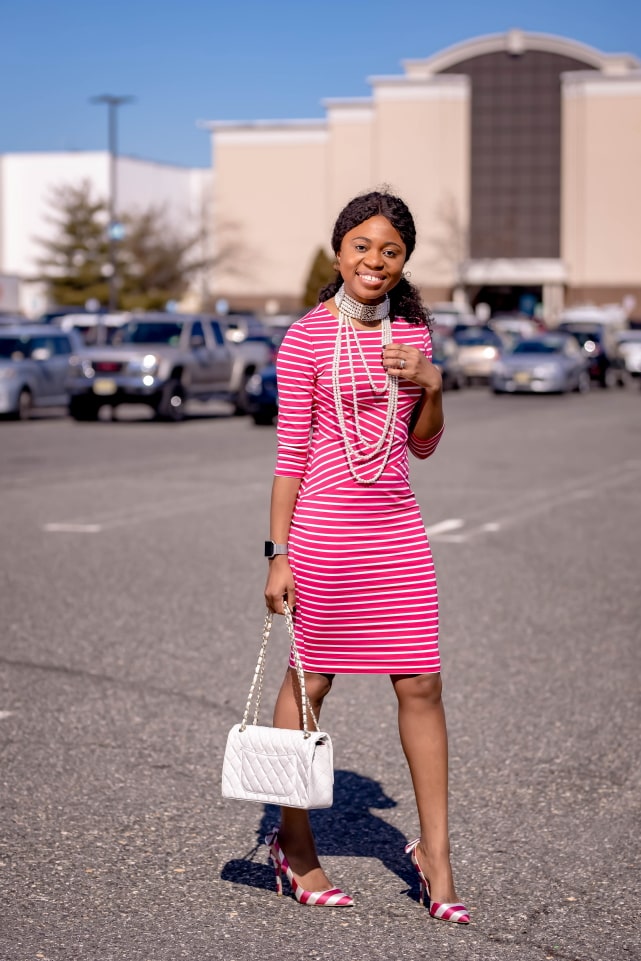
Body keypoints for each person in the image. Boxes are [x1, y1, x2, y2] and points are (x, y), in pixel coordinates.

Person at [263, 189, 469, 923]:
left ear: (403, 259)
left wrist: (432, 383)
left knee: (420, 686)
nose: (373, 261)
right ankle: (294, 843)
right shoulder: (306, 337)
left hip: (397, 533)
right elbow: (290, 453)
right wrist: (278, 551)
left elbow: (423, 442)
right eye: (361, 246)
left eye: (389, 250)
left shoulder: (414, 331)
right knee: (310, 684)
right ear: (337, 250)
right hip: (322, 534)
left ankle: (435, 855)